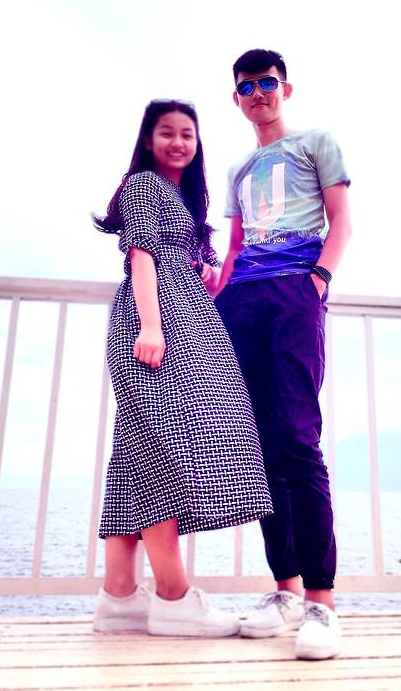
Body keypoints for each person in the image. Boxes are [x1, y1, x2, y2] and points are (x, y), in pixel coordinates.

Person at [92, 98, 273, 637]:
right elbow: (141, 258)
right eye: (166, 132)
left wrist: (207, 268)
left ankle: (119, 596)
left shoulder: (184, 201)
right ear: (148, 140)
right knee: (161, 449)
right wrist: (151, 326)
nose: (177, 142)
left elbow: (184, 260)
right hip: (157, 321)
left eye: (187, 134)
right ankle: (173, 597)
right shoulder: (144, 185)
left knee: (138, 448)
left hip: (188, 319)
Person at [214, 49, 352, 660]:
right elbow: (235, 246)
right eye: (246, 87)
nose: (258, 94)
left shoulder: (316, 142)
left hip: (295, 292)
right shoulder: (238, 168)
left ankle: (322, 603)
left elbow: (342, 220)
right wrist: (215, 288)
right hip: (242, 301)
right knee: (260, 450)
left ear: (285, 88)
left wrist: (318, 279)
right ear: (237, 99)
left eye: (267, 83)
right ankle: (287, 590)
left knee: (297, 439)